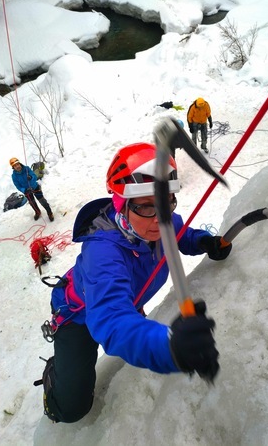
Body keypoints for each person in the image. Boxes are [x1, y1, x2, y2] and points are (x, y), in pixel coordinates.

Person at [38, 143, 232, 423]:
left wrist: (205, 241)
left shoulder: (160, 222)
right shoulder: (102, 254)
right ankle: (57, 375)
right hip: (78, 317)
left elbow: (181, 233)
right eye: (145, 206)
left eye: (167, 202)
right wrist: (171, 348)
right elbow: (112, 319)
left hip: (122, 303)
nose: (160, 218)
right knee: (70, 409)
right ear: (121, 205)